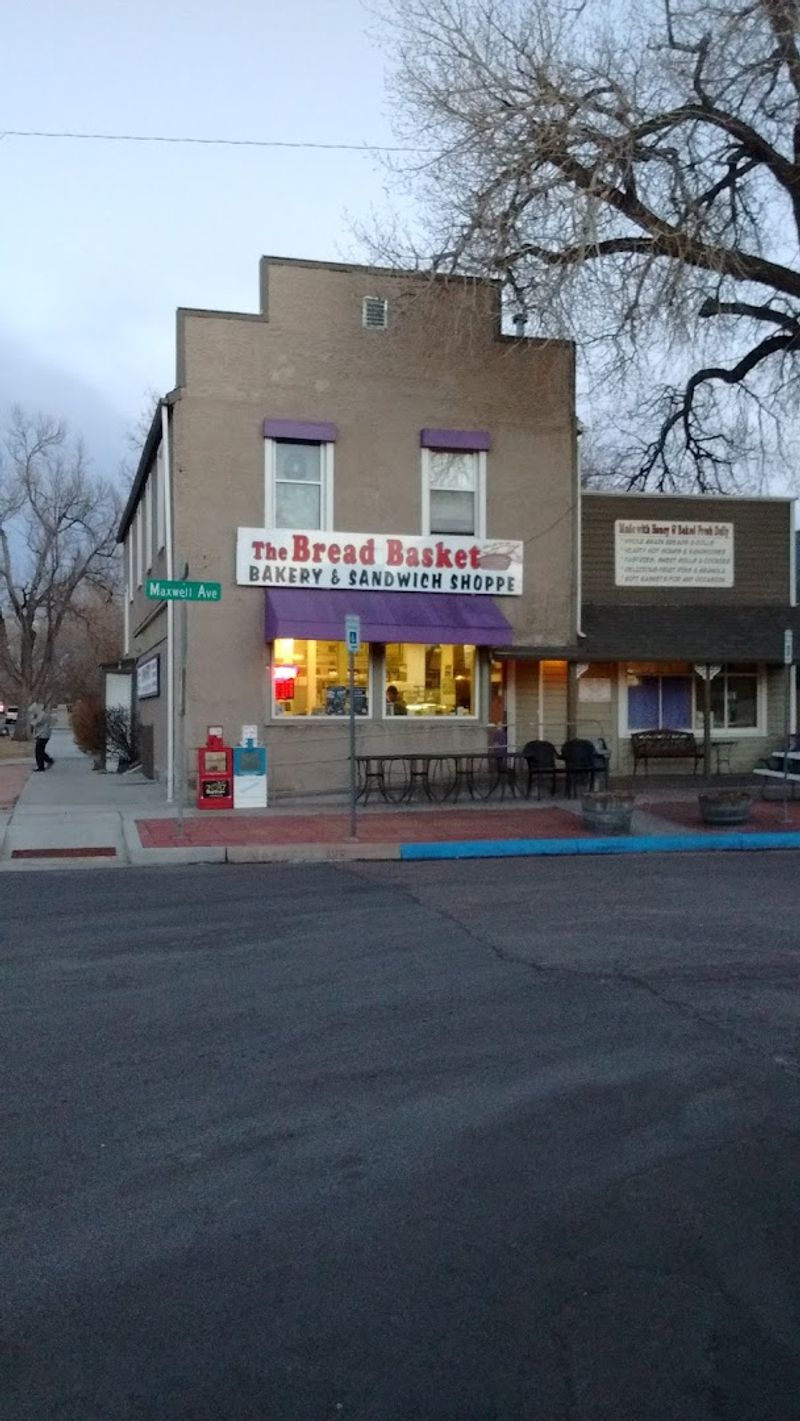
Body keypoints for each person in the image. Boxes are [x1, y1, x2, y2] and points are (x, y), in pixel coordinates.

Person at [30, 702, 54, 771]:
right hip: (42, 735)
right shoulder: (40, 714)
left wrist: (33, 718)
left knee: (38, 751)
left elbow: (35, 723)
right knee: (40, 751)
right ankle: (47, 761)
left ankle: (42, 766)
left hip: (43, 735)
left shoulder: (42, 715)